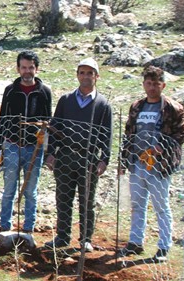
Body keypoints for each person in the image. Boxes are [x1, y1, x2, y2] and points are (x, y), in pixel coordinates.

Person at [117, 66, 184, 262]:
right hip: (137, 162)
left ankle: (164, 246)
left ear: (163, 85)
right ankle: (135, 242)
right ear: (143, 85)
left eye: (156, 84)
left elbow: (183, 133)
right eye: (148, 84)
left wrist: (163, 147)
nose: (152, 88)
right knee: (137, 204)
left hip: (160, 165)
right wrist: (123, 160)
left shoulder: (172, 108)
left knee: (161, 206)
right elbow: (128, 134)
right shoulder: (136, 107)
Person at [44, 58, 112, 252]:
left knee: (86, 201)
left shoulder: (103, 104)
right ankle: (63, 237)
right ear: (77, 75)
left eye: (90, 73)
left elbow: (107, 134)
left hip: (88, 159)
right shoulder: (66, 100)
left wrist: (104, 159)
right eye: (82, 72)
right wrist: (50, 154)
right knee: (63, 198)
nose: (85, 76)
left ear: (97, 76)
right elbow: (55, 127)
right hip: (65, 157)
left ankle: (85, 239)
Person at [0, 50, 52, 234]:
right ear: (18, 69)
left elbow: (47, 120)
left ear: (37, 69)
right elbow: (3, 119)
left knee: (30, 191)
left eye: (31, 68)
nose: (27, 71)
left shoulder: (44, 92)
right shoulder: (11, 91)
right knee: (9, 188)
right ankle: (5, 226)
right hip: (12, 145)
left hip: (34, 147)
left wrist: (46, 144)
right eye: (24, 67)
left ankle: (28, 228)